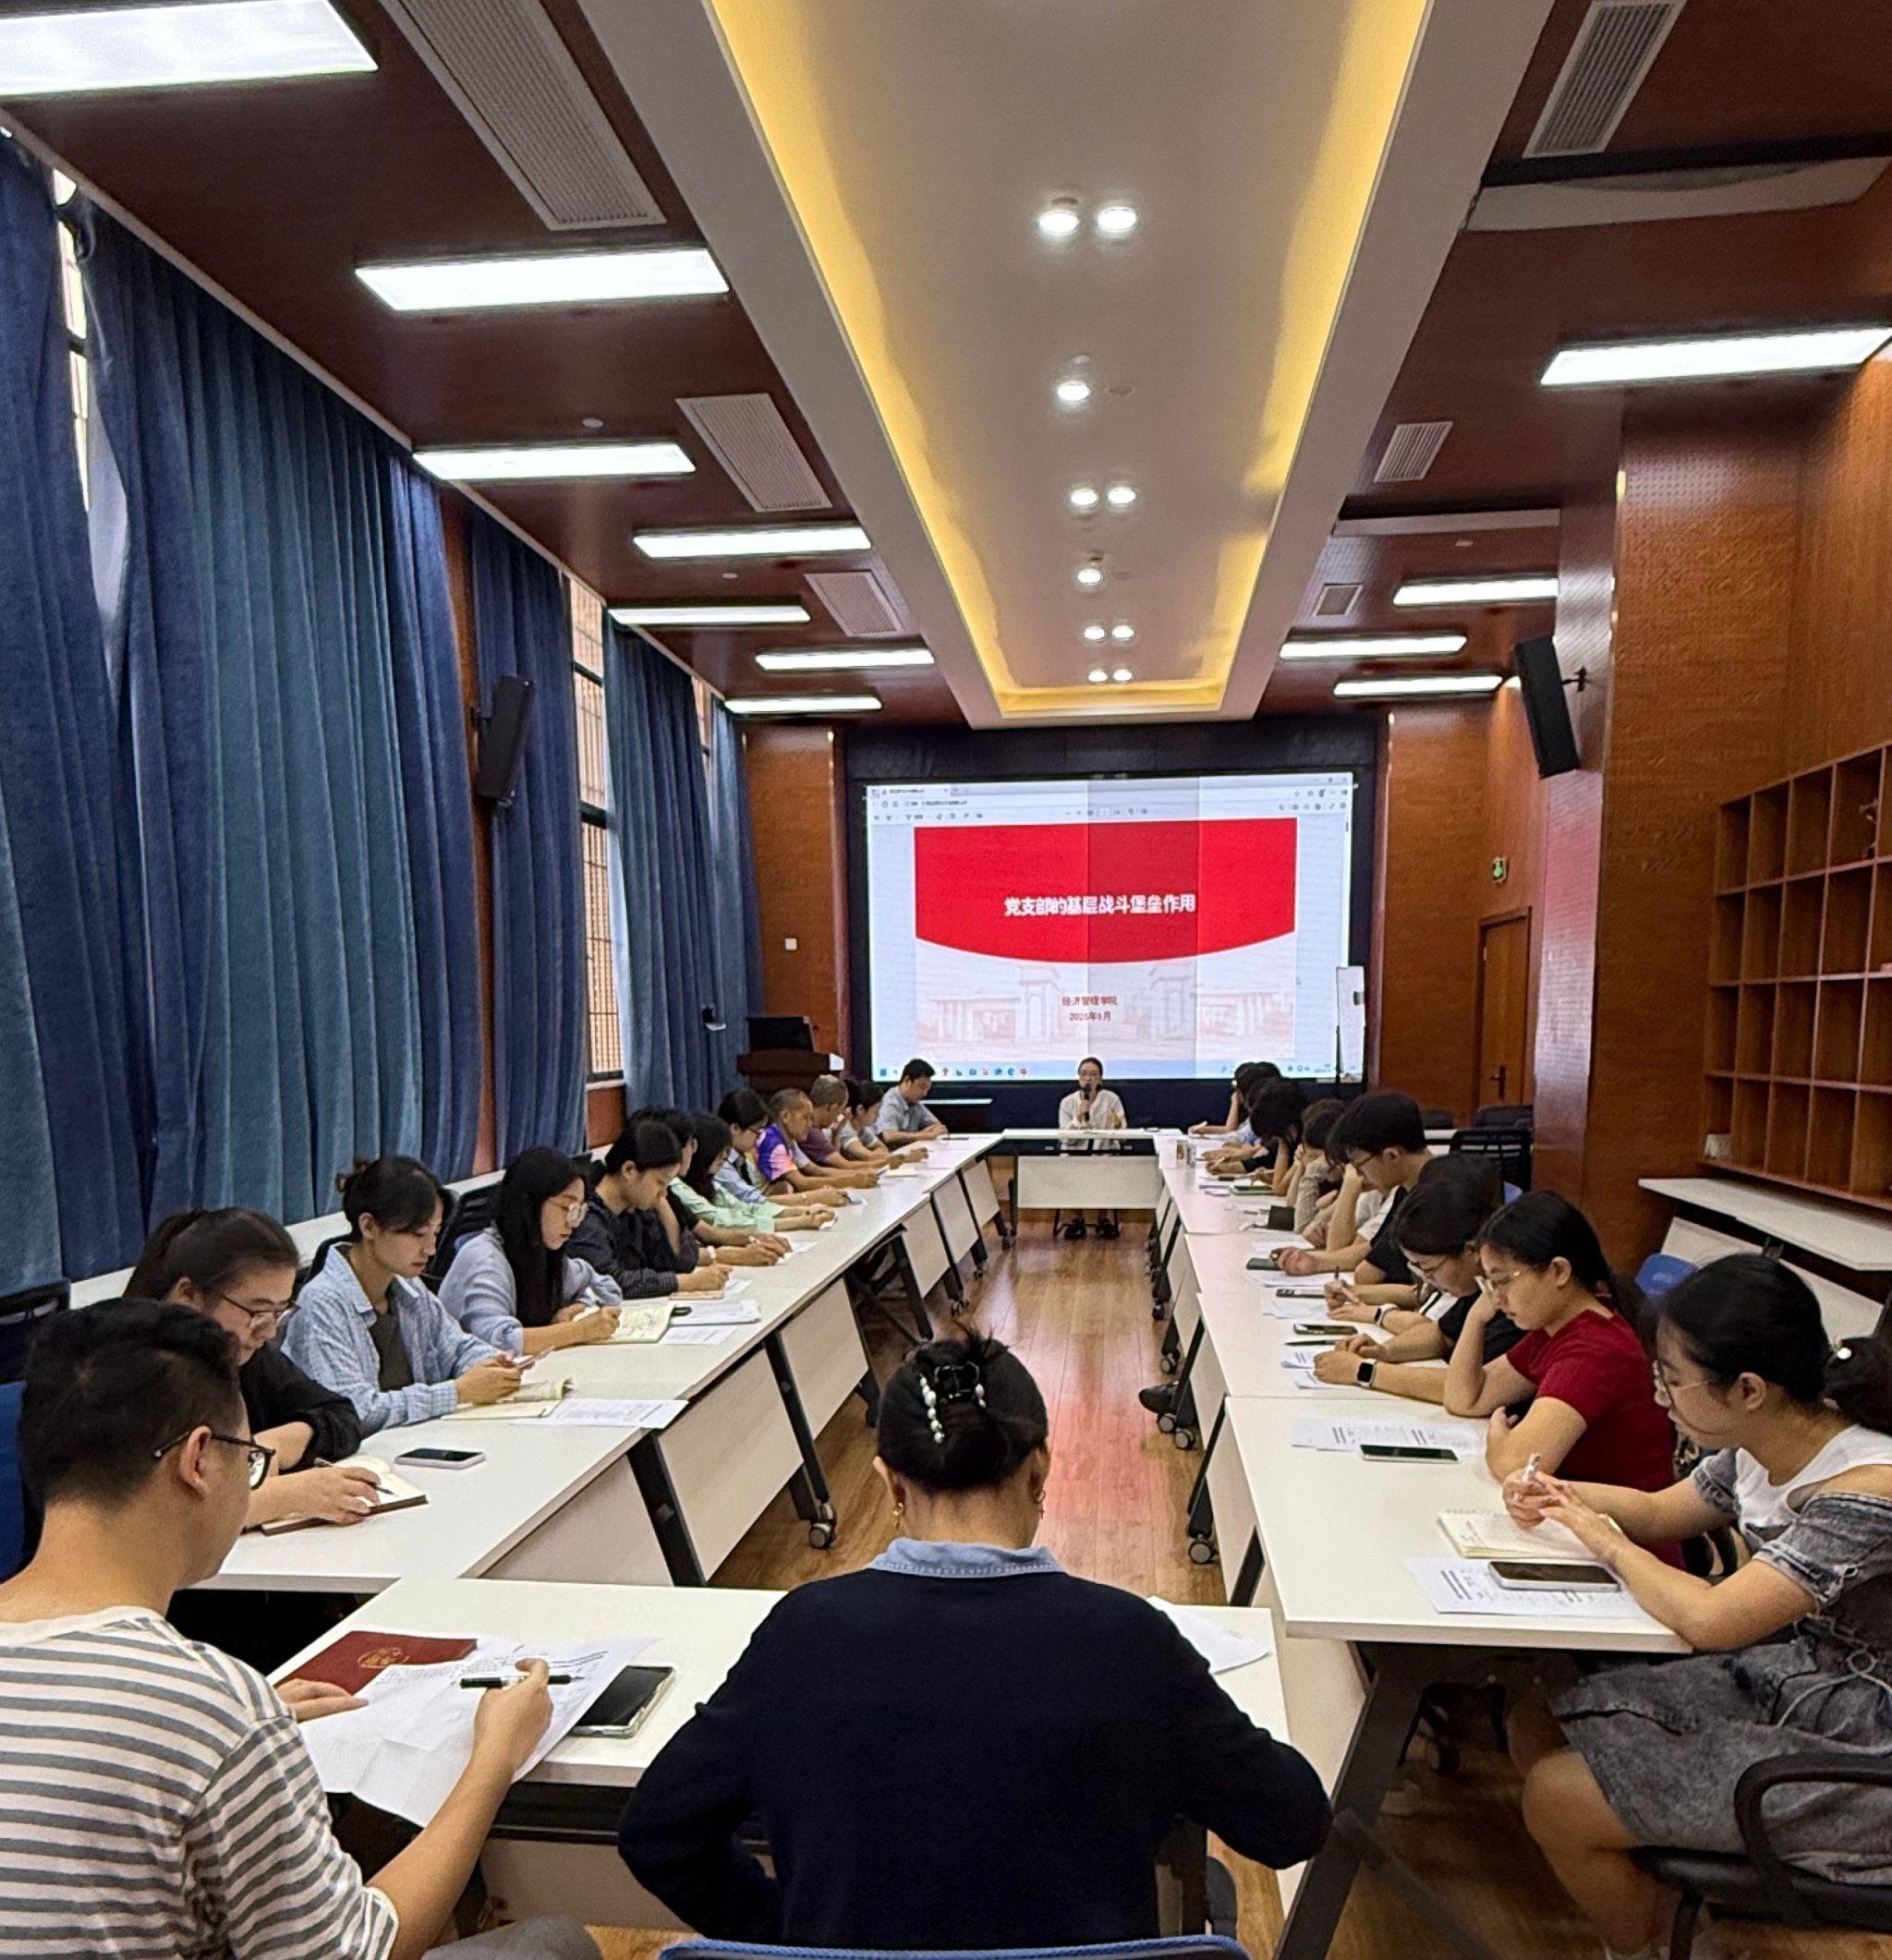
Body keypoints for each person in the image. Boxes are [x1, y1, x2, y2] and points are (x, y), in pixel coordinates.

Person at [616, 1335, 1328, 1947]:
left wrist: (793, 1939)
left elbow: (658, 1831)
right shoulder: (1127, 1640)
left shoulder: (803, 1635)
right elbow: (1294, 1823)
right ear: (1040, 1468)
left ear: (889, 1483)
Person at [0, 1302, 595, 1960]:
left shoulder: (210, 1713)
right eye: (251, 1459)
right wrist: (495, 1758)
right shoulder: (209, 1708)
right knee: (555, 1942)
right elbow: (356, 1951)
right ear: (199, 1460)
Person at [1507, 1257, 1892, 1958]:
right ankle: (1676, 1924)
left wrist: (1602, 1537)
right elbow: (1661, 1512)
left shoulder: (1865, 1491)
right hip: (1805, 1682)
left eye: (1671, 1379)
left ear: (1747, 1389)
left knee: (1556, 1794)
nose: (1659, 1396)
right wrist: (1561, 1496)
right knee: (1538, 1716)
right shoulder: (1764, 1438)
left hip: (1869, 1740)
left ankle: (1650, 1945)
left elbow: (1714, 1621)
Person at [127, 1207, 379, 1530]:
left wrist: (273, 1446)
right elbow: (143, 1518)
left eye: (279, 1313)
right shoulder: (123, 1372)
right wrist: (284, 1496)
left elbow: (340, 1414)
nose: (269, 1332)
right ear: (188, 1295)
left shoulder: (245, 1355)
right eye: (258, 1312)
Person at [1444, 1192, 1676, 1511]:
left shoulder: (1595, 1349)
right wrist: (1476, 1317)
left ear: (1558, 1271)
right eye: (1490, 1286)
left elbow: (1516, 1466)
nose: (1497, 1298)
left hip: (1618, 1529)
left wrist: (1498, 1440)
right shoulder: (1554, 1328)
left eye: (1503, 1281)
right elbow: (1465, 1399)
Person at [288, 1158, 527, 1434]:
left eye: (436, 1233)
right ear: (369, 1226)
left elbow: (457, 1347)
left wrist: (491, 1363)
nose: (431, 1249)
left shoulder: (408, 1286)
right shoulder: (321, 1305)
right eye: (418, 1234)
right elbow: (354, 1411)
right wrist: (457, 1392)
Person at [1313, 1161, 1513, 1405]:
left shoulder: (1511, 1300)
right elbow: (1441, 1335)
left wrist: (1365, 1371)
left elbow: (1468, 1387)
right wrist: (1383, 1351)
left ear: (1471, 1250)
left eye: (1430, 1268)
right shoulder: (1475, 1285)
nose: (1427, 1279)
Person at [440, 1147, 625, 1355]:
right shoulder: (485, 1259)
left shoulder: (542, 1252)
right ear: (529, 1204)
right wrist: (578, 1330)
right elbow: (499, 1341)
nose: (573, 1222)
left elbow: (606, 1289)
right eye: (567, 1208)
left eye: (579, 1211)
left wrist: (575, 1308)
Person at [1276, 1090, 1430, 1288]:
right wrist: (1316, 1261)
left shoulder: (1438, 1196)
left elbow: (1373, 1274)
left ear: (1391, 1156)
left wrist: (1362, 1297)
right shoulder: (1405, 1191)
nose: (1356, 1174)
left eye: (1358, 1164)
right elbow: (1374, 1251)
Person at [628, 1110, 789, 1268]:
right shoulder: (668, 1188)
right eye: (692, 1144)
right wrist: (730, 1255)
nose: (693, 1151)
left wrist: (757, 1237)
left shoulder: (668, 1190)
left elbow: (705, 1232)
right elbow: (674, 1255)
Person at [673, 1113, 831, 1238]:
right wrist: (797, 1221)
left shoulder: (709, 1181)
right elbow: (722, 1219)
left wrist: (803, 1213)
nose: (725, 1156)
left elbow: (744, 1208)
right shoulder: (676, 1186)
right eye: (720, 1150)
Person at [718, 1089, 845, 1213]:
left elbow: (815, 1170)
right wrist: (812, 1199)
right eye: (757, 1131)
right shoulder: (721, 1162)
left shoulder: (741, 1157)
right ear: (735, 1128)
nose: (759, 1137)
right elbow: (754, 1201)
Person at [1056, 1056, 1128, 1240]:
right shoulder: (1067, 1102)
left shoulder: (1112, 1099)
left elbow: (1123, 1134)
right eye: (1084, 1074)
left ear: (1100, 1078)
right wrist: (1079, 1117)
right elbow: (1064, 1136)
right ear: (1078, 1077)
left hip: (1104, 1153)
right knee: (1070, 1169)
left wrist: (1117, 1126)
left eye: (1093, 1074)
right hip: (1074, 1154)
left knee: (1108, 1167)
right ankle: (1077, 1219)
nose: (1088, 1078)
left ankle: (1103, 1219)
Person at [758, 1089, 877, 1197]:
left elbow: (816, 1170)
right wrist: (852, 1181)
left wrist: (857, 1174)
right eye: (805, 1117)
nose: (810, 1124)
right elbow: (802, 1183)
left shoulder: (789, 1140)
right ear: (785, 1116)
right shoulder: (773, 1143)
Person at [834, 1080, 923, 1167]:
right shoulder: (845, 1128)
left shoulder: (863, 1128)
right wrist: (906, 1157)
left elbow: (883, 1149)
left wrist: (875, 1156)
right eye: (876, 1110)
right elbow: (868, 1156)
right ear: (861, 1110)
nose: (878, 1115)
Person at [1188, 1059, 1280, 1138]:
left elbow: (1232, 1133)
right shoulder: (1249, 1117)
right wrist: (1203, 1130)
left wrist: (1235, 1102)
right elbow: (1232, 1131)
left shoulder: (1264, 1117)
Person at [877, 1058, 948, 1143]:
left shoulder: (915, 1104)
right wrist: (925, 1135)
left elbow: (941, 1128)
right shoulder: (889, 1102)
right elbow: (889, 1136)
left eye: (927, 1089)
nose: (925, 1094)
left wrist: (922, 1135)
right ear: (907, 1081)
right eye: (922, 1087)